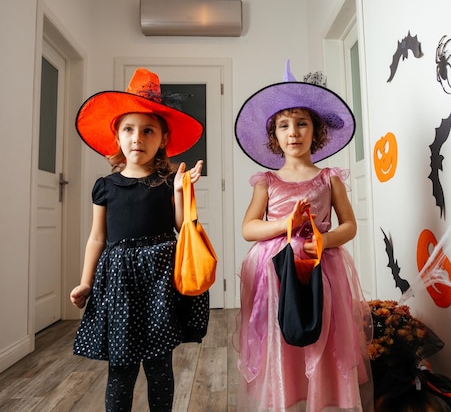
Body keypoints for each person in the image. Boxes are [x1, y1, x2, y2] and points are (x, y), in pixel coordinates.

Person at [234, 61, 374, 412]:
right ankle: (287, 394)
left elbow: (349, 225)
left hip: (321, 267)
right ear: (274, 136)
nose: (293, 132)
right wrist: (285, 226)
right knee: (282, 334)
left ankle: (322, 397)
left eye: (301, 123)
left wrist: (325, 241)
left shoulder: (330, 178)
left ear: (317, 131)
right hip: (275, 271)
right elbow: (249, 228)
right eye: (284, 125)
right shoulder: (266, 181)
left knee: (323, 333)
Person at [69, 68, 210, 412]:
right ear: (116, 136)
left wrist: (181, 190)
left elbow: (183, 227)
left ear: (162, 139)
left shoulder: (166, 182)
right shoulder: (105, 186)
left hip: (160, 279)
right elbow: (97, 238)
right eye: (129, 129)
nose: (137, 138)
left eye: (148, 130)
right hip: (119, 283)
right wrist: (86, 282)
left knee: (160, 366)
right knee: (121, 368)